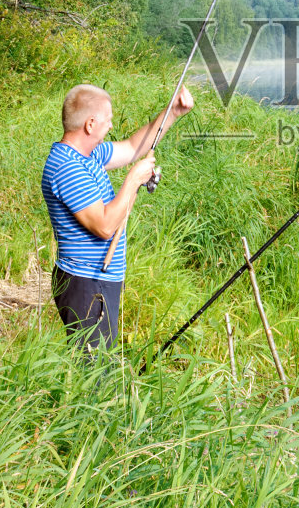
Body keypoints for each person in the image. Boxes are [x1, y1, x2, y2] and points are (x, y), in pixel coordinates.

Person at [41, 83, 194, 348]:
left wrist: (173, 112)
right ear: (90, 124)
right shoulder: (67, 167)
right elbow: (104, 227)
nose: (111, 125)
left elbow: (134, 147)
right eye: (108, 120)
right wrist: (133, 180)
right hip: (87, 283)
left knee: (101, 364)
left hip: (97, 281)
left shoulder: (89, 156)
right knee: (94, 368)